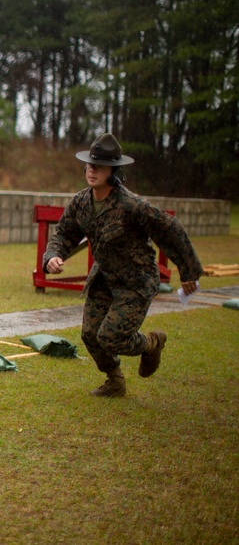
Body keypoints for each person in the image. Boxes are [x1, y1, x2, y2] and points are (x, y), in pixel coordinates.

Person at [42, 133, 203, 397]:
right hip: (104, 277)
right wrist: (52, 256)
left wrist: (189, 271)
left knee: (111, 337)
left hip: (135, 282)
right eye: (90, 165)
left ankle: (151, 343)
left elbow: (170, 229)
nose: (92, 171)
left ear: (113, 171)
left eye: (100, 166)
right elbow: (64, 232)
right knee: (90, 335)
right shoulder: (82, 202)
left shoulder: (131, 205)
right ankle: (115, 380)